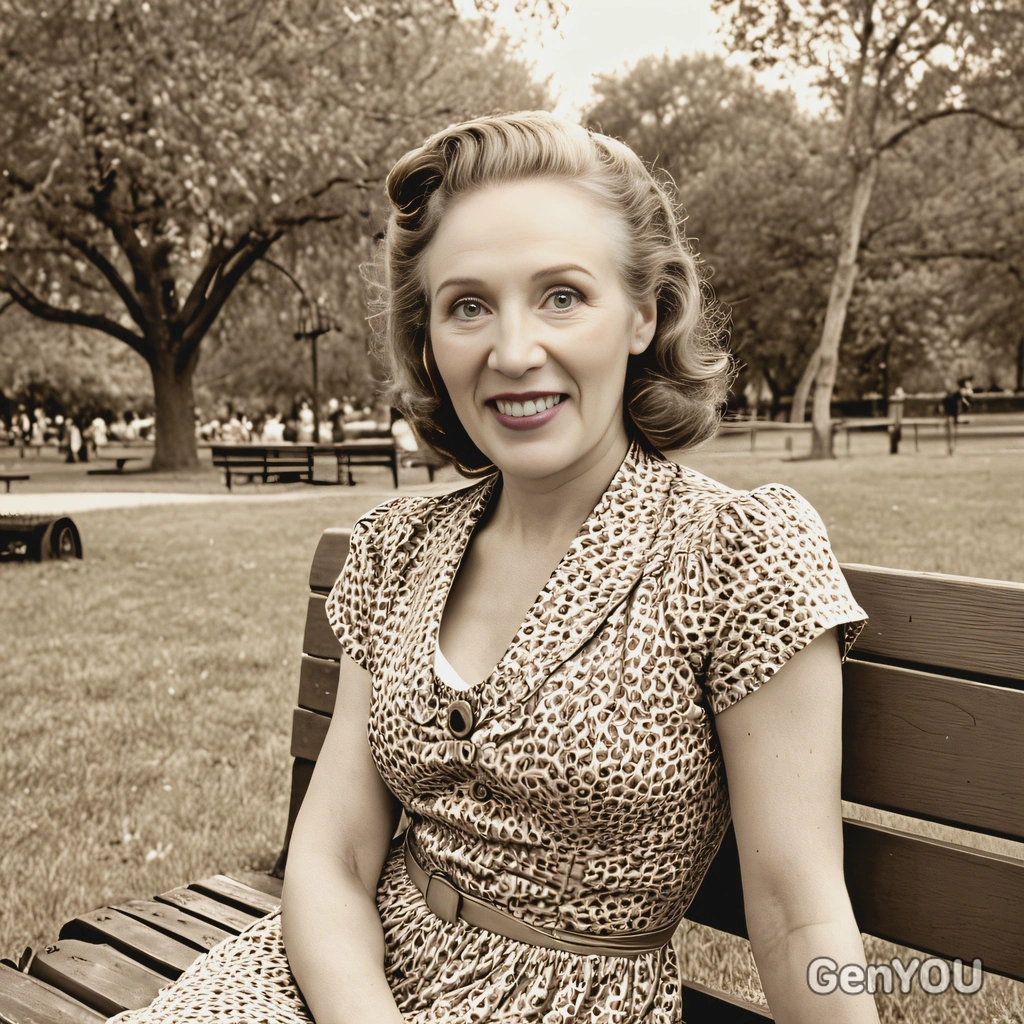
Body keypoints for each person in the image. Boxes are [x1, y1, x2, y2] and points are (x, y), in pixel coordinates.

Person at [110, 112, 877, 1023]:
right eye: (468, 305)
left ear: (644, 313)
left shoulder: (737, 553)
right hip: (336, 975)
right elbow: (333, 857)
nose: (513, 354)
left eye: (562, 296)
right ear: (428, 336)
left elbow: (796, 916)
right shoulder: (396, 549)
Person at [942, 376, 973, 454]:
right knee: (950, 431)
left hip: (953, 414)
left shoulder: (957, 393)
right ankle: (950, 447)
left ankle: (951, 447)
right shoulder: (950, 395)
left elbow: (967, 394)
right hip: (949, 413)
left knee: (952, 431)